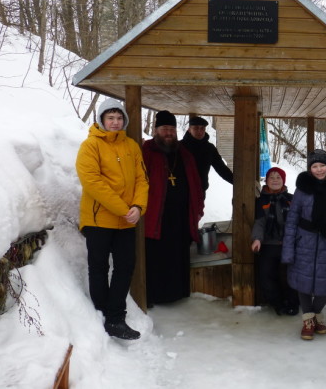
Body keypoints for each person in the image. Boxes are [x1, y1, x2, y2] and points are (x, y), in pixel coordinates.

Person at [76, 98, 148, 340]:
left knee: (125, 266)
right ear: (102, 120)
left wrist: (138, 207)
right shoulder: (90, 146)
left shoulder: (132, 146)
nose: (115, 122)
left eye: (119, 118)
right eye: (110, 118)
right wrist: (123, 208)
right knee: (99, 268)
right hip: (98, 220)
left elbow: (142, 179)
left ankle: (116, 318)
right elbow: (92, 182)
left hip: (127, 219)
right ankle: (101, 315)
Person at [281, 149, 326, 340]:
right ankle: (308, 320)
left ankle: (317, 313)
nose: (319, 170)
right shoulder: (303, 189)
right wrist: (289, 248)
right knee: (303, 283)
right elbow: (292, 219)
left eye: (322, 165)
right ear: (310, 169)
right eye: (315, 166)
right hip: (304, 241)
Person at [142, 111, 204, 306]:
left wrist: (197, 206)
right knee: (156, 257)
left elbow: (195, 182)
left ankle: (178, 293)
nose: (168, 133)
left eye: (171, 129)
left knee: (178, 255)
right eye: (164, 129)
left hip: (180, 216)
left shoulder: (184, 153)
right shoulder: (147, 151)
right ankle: (155, 295)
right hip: (156, 216)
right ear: (156, 130)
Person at [251, 167, 298, 316]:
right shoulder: (261, 201)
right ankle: (277, 303)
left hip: (289, 244)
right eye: (272, 177)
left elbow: (299, 221)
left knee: (292, 275)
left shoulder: (291, 199)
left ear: (283, 180)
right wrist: (257, 239)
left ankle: (293, 303)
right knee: (266, 275)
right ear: (267, 180)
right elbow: (259, 222)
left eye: (278, 177)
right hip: (269, 244)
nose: (275, 180)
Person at [181, 116, 233, 197]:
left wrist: (237, 182)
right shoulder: (179, 147)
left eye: (202, 128)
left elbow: (221, 168)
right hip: (180, 192)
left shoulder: (209, 149)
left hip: (200, 193)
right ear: (189, 129)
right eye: (196, 128)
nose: (199, 131)